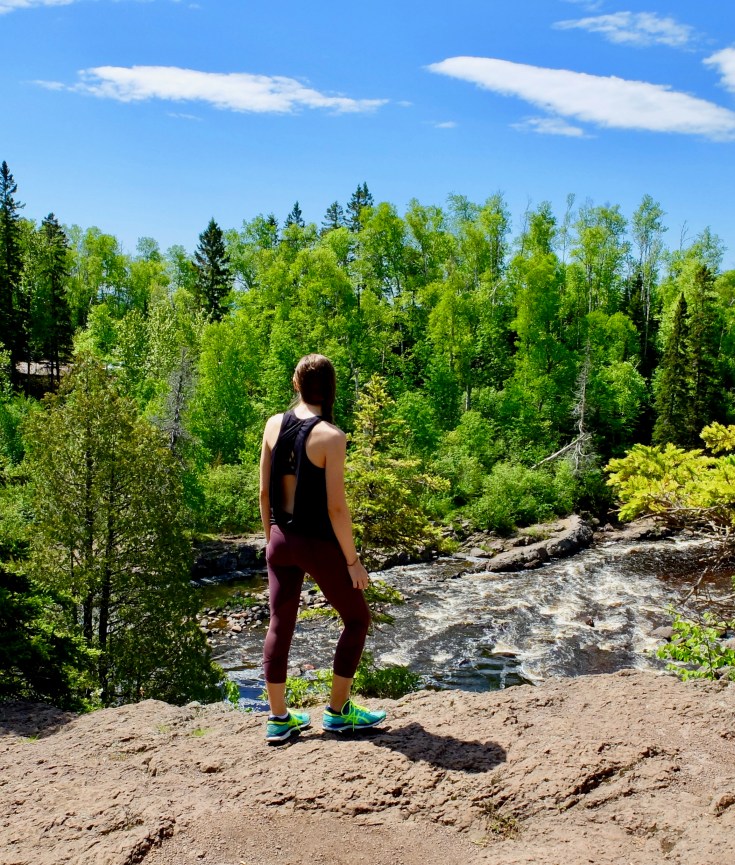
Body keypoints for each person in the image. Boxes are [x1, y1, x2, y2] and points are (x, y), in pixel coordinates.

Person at [259, 354, 386, 743]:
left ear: (296, 383)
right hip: (317, 543)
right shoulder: (331, 436)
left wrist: (271, 541)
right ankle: (337, 712)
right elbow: (335, 507)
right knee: (357, 619)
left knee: (280, 624)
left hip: (280, 539)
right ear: (330, 388)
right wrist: (353, 561)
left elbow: (265, 492)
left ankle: (279, 719)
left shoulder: (272, 424)